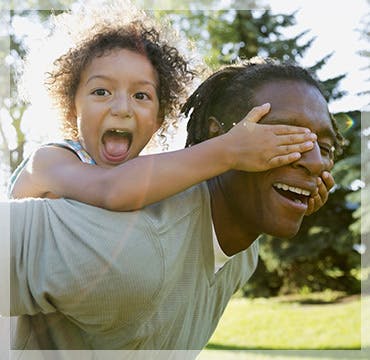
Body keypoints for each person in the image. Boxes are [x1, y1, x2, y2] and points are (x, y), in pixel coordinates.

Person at [5, 58, 343, 351]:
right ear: (219, 138)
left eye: (325, 148)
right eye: (284, 137)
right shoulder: (130, 245)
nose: (315, 162)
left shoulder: (243, 254)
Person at [7, 2, 317, 211]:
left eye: (141, 96)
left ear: (158, 118)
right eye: (101, 91)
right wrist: (230, 149)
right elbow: (110, 190)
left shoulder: (149, 178)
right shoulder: (49, 161)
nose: (122, 108)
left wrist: (293, 193)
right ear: (72, 107)